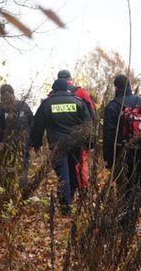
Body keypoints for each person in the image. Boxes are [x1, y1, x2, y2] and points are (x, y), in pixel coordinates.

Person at [103, 74, 141, 227]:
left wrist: (108, 159)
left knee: (124, 186)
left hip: (123, 153)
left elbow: (108, 135)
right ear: (130, 86)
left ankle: (126, 223)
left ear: (116, 88)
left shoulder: (113, 106)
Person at [31, 78, 92, 215]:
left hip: (57, 146)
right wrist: (89, 144)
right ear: (67, 88)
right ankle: (68, 200)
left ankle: (65, 207)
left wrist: (36, 143)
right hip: (75, 144)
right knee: (73, 172)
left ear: (54, 90)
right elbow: (88, 125)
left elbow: (37, 126)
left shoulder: (47, 104)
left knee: (62, 175)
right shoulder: (78, 102)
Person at [54, 69, 96, 190]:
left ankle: (67, 192)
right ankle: (83, 191)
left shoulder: (52, 94)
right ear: (70, 79)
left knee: (63, 167)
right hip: (79, 137)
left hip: (58, 140)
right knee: (80, 163)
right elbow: (91, 114)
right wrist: (91, 138)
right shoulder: (81, 92)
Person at [0, 84, 33, 190]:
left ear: (0, 95)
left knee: (6, 166)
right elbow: (32, 123)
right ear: (13, 93)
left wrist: (0, 141)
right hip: (23, 142)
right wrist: (30, 140)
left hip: (6, 143)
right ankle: (23, 192)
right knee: (22, 166)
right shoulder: (24, 105)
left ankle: (6, 191)